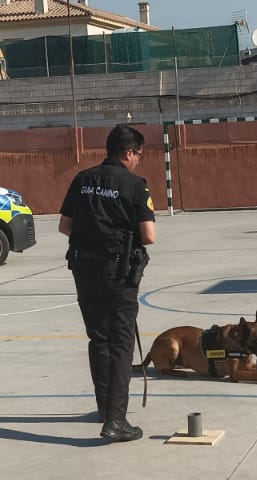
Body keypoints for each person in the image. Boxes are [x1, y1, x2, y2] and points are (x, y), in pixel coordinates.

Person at [59, 125, 158, 443]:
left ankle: (105, 407)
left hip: (84, 269)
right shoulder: (135, 185)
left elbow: (65, 226)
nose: (138, 161)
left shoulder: (82, 179)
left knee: (98, 338)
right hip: (118, 272)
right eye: (138, 155)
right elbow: (149, 236)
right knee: (121, 343)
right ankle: (116, 420)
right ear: (128, 153)